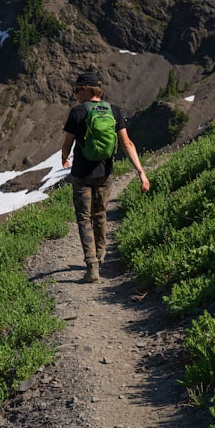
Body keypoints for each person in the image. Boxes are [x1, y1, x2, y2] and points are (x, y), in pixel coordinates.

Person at [62, 71, 150, 283]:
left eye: (77, 90)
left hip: (82, 174)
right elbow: (127, 144)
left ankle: (91, 266)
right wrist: (141, 172)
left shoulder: (77, 112)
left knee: (84, 218)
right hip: (105, 173)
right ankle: (100, 256)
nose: (75, 94)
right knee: (100, 214)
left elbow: (68, 144)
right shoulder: (114, 111)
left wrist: (64, 157)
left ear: (87, 90)